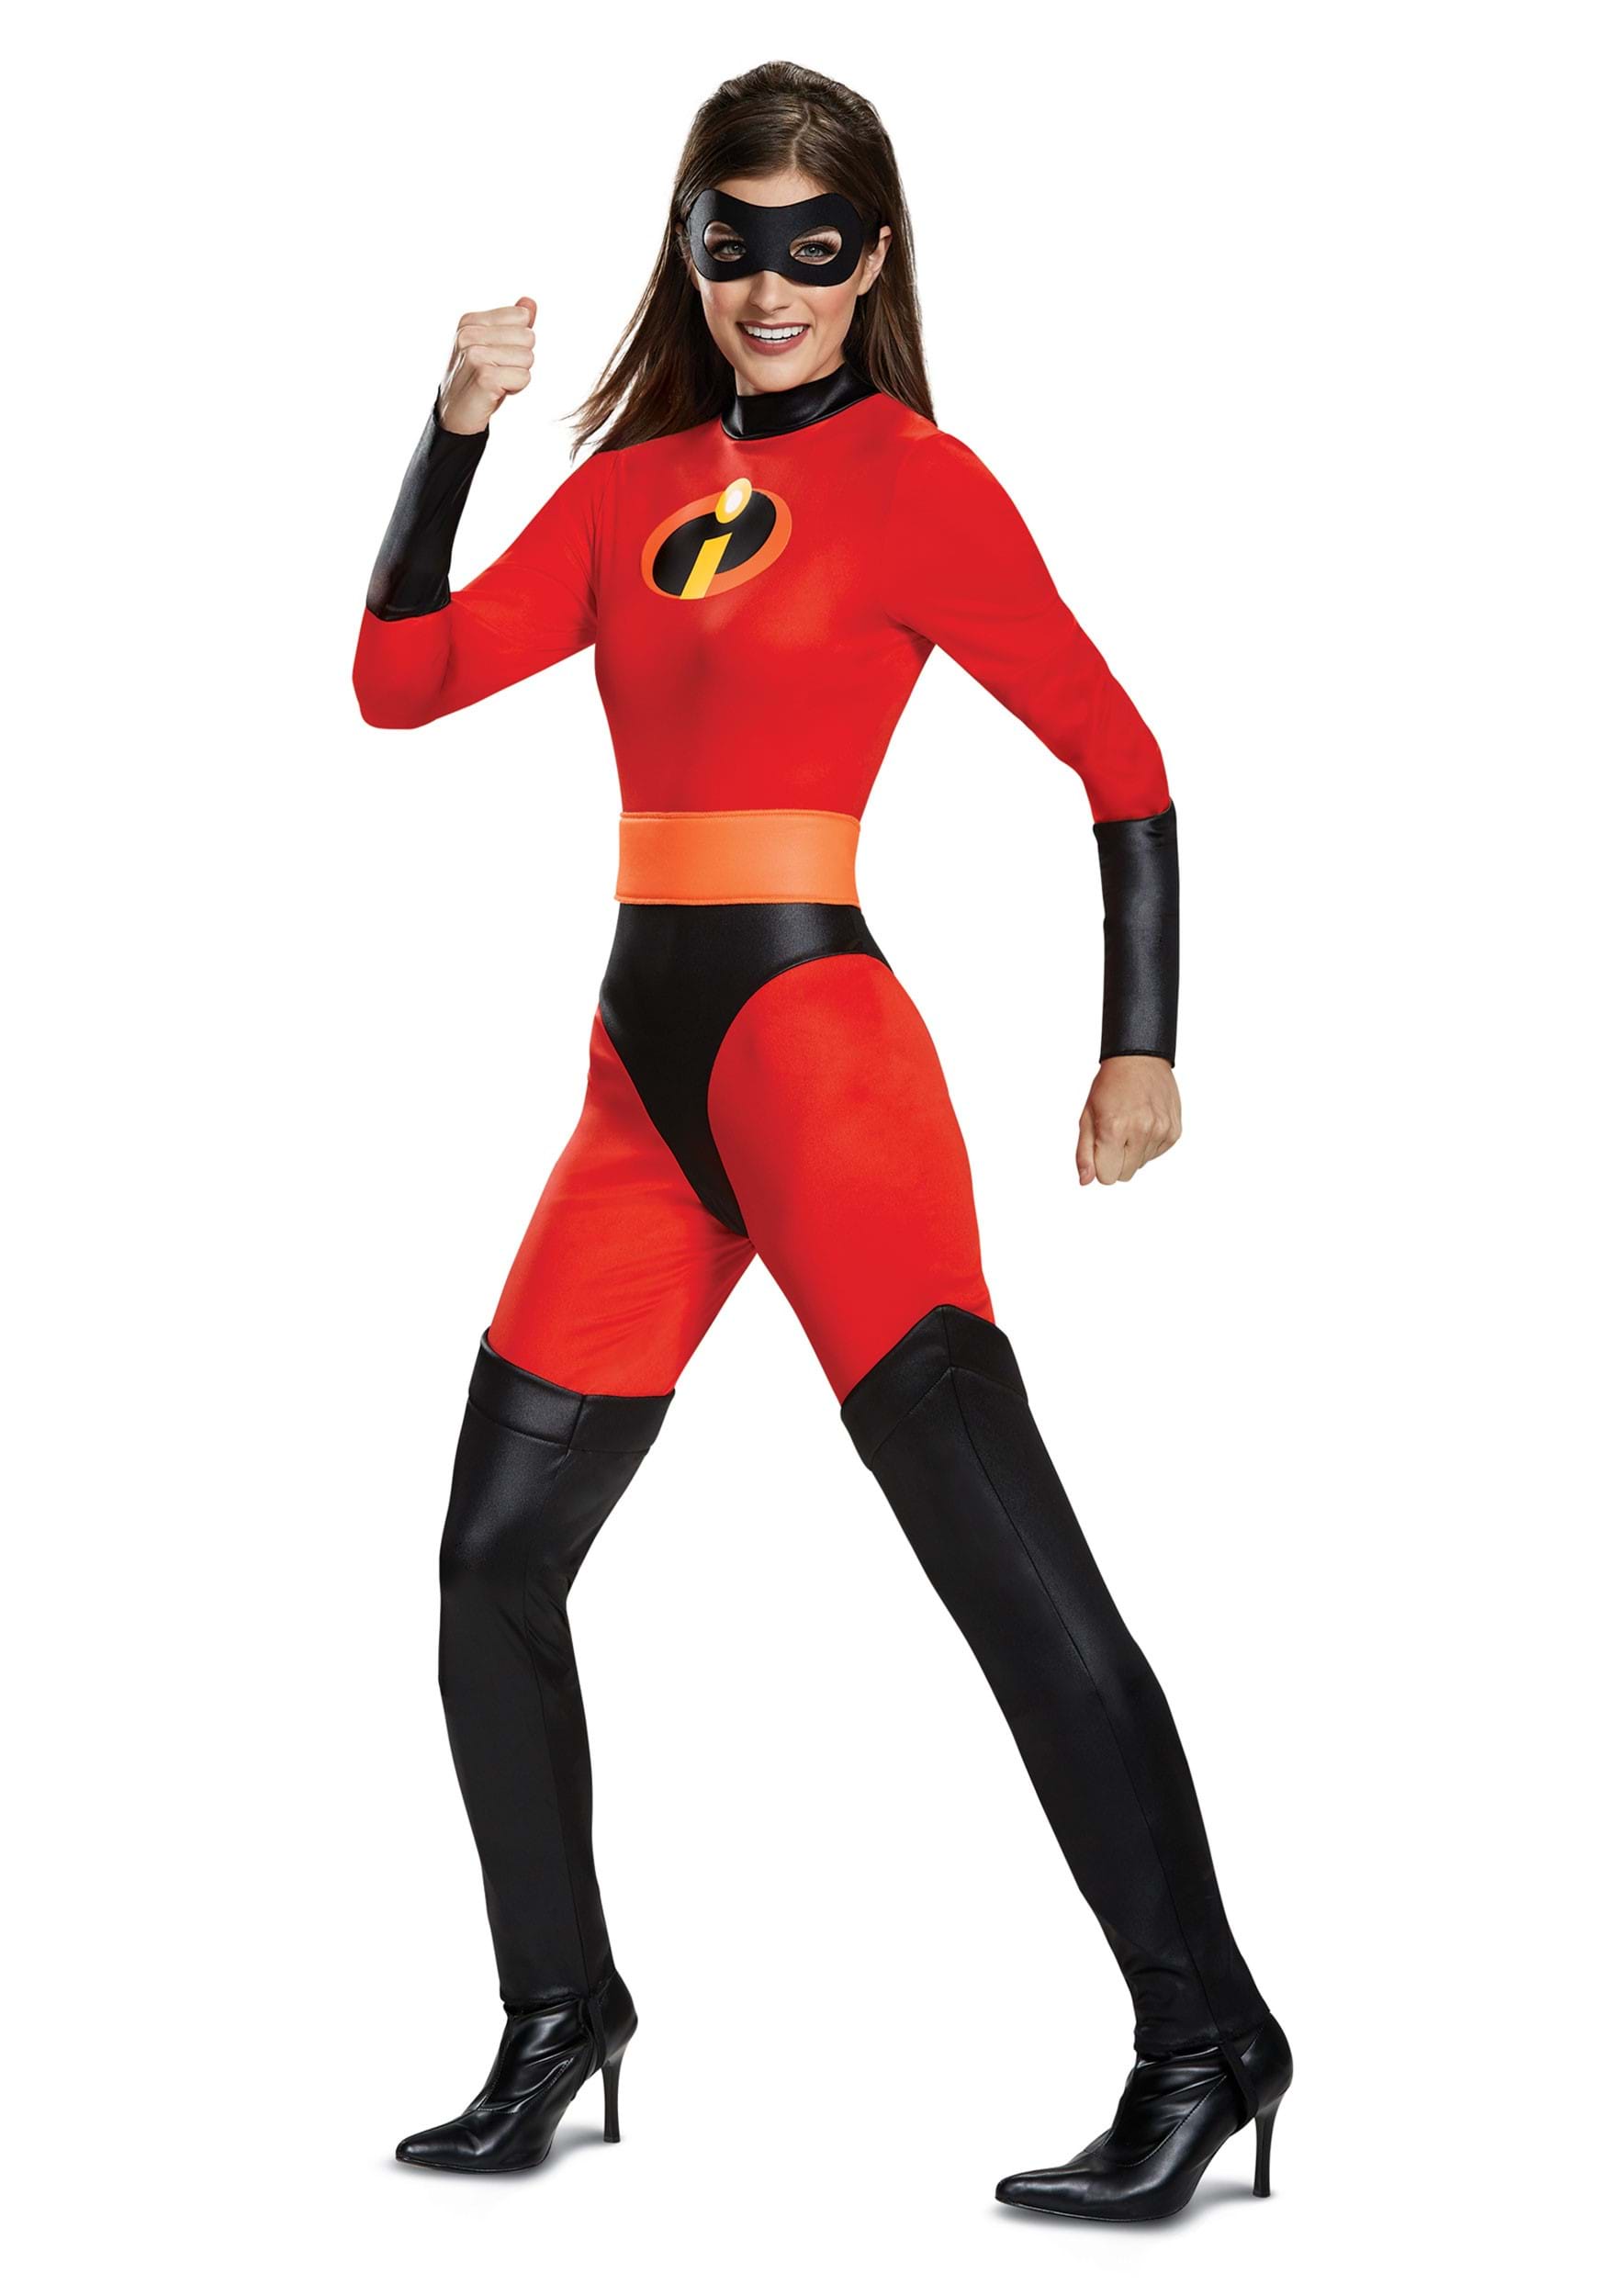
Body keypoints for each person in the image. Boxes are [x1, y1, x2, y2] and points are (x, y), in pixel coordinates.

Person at [353, 58, 1290, 2223]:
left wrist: (1136, 1047)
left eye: (809, 243)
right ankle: (558, 2012)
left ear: (870, 258)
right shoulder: (622, 490)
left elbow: (1122, 759)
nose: (765, 283)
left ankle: (1204, 2033)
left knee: (1002, 1565)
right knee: (490, 1560)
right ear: (685, 248)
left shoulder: (920, 486)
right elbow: (399, 682)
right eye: (729, 240)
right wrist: (452, 433)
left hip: (818, 1061)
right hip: (639, 1083)